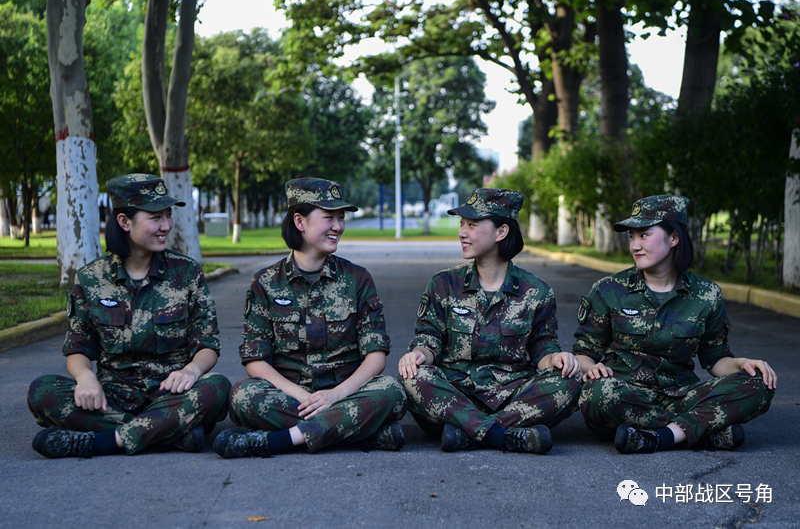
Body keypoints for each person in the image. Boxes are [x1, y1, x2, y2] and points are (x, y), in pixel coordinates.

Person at [28, 174, 231, 458]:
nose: (166, 226)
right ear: (124, 222)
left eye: (168, 215)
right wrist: (86, 378)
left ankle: (102, 442)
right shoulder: (90, 278)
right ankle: (170, 434)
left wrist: (191, 371)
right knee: (42, 391)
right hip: (111, 397)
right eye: (155, 217)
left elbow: (207, 345)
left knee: (218, 388)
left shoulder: (186, 272)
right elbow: (77, 348)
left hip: (170, 395)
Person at [214, 177, 406, 458]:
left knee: (392, 391)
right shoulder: (265, 283)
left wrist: (335, 395)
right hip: (291, 396)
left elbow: (376, 357)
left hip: (346, 391)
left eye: (341, 218)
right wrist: (305, 397)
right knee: (242, 397)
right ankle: (360, 433)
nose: (338, 227)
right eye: (329, 217)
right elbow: (256, 362)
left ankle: (280, 441)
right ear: (300, 222)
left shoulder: (357, 279)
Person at [574, 194, 776, 454]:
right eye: (631, 236)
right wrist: (591, 369)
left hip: (682, 395)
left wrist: (742, 365)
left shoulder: (706, 294)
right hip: (624, 395)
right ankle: (700, 430)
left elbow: (715, 359)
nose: (635, 245)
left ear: (673, 238)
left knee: (759, 382)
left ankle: (661, 437)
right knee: (596, 394)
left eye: (644, 235)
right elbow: (583, 353)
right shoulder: (608, 290)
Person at [398, 188, 581, 454]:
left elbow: (542, 348)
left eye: (472, 225)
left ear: (501, 232)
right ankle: (502, 435)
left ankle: (468, 433)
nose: (462, 232)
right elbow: (429, 339)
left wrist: (556, 360)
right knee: (414, 376)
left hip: (512, 396)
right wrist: (418, 354)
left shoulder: (537, 290)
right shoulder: (443, 284)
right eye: (462, 223)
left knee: (572, 379)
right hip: (455, 392)